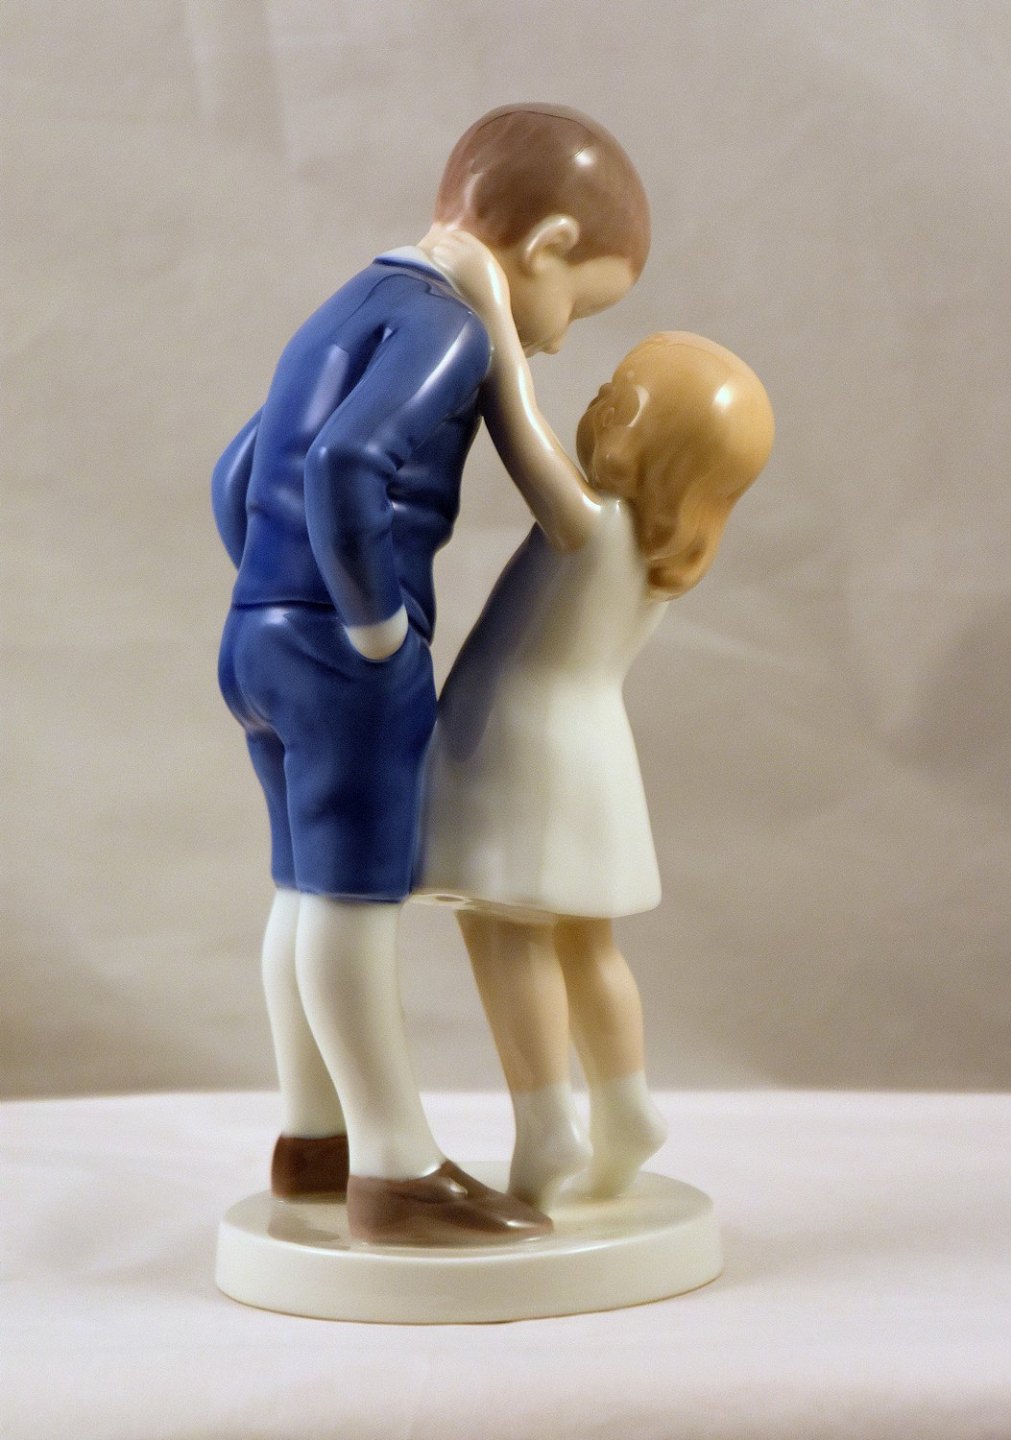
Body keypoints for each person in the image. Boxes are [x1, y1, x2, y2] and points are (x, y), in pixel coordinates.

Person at [211, 104, 649, 1245]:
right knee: (352, 903)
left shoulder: (350, 300)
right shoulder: (450, 328)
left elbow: (239, 468)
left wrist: (270, 589)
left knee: (299, 886)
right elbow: (350, 460)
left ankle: (313, 1139)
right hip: (341, 653)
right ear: (547, 246)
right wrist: (370, 629)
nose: (560, 339)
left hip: (257, 640)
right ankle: (395, 1170)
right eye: (578, 307)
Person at [417, 257, 774, 1209]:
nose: (599, 403)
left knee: (506, 932)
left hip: (523, 748)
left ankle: (548, 1126)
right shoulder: (660, 557)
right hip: (592, 754)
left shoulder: (595, 524)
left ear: (654, 454)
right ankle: (626, 1106)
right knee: (586, 940)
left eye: (622, 402)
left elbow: (519, 428)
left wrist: (491, 315)